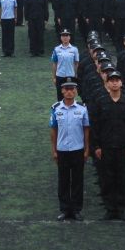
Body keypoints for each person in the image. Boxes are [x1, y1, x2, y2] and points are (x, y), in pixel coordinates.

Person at [90, 70, 125, 220]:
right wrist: (96, 146)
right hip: (106, 148)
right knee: (107, 179)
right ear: (107, 83)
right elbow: (95, 125)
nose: (115, 83)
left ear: (121, 83)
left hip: (123, 148)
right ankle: (110, 209)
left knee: (121, 179)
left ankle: (121, 209)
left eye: (117, 80)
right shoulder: (101, 102)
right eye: (112, 80)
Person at [49, 80, 89, 221]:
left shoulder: (82, 108)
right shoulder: (56, 108)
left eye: (72, 89)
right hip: (62, 150)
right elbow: (53, 130)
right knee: (63, 180)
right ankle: (65, 209)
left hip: (78, 149)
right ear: (62, 91)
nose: (69, 91)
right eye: (66, 89)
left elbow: (86, 130)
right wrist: (54, 150)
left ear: (76, 91)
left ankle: (76, 209)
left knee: (78, 180)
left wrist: (87, 149)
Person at [51, 30, 79, 99]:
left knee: (70, 95)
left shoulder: (74, 49)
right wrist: (54, 77)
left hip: (70, 76)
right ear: (61, 38)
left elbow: (76, 63)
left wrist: (75, 75)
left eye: (67, 36)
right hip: (60, 76)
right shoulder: (56, 49)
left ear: (69, 37)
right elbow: (55, 63)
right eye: (63, 36)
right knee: (60, 96)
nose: (65, 37)